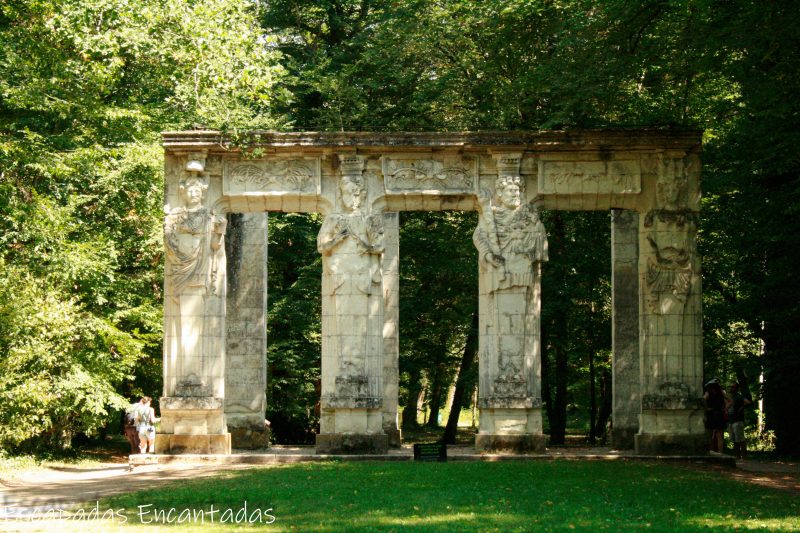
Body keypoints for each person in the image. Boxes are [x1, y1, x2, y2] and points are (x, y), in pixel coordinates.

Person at [726, 382, 752, 459]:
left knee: (740, 439)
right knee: (734, 440)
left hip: (738, 420)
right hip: (731, 420)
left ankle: (743, 455)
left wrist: (742, 408)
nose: (731, 388)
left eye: (733, 387)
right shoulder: (730, 397)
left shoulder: (739, 397)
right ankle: (736, 455)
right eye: (730, 387)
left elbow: (748, 402)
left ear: (736, 388)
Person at [703, 378, 726, 453]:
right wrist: (724, 409)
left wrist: (706, 408)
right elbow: (730, 401)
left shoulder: (708, 392)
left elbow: (703, 400)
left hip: (711, 415)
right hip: (719, 414)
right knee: (720, 437)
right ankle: (720, 453)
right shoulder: (721, 392)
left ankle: (710, 452)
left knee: (709, 436)